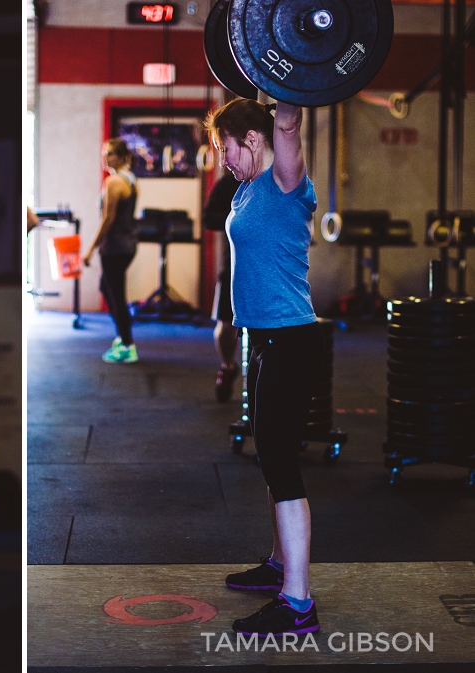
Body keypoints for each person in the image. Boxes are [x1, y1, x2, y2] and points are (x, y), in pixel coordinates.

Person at [203, 98, 325, 637]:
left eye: (225, 148)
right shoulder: (249, 187)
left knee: (281, 462)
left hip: (292, 339)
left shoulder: (284, 178)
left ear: (251, 140)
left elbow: (289, 122)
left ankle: (298, 603)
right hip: (263, 338)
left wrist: (284, 73)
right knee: (269, 453)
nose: (222, 160)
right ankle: (278, 565)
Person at [83, 138, 139, 363]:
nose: (105, 158)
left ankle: (127, 345)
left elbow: (108, 220)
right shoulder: (131, 180)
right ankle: (122, 336)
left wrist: (89, 250)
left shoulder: (114, 182)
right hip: (126, 245)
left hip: (115, 247)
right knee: (107, 289)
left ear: (122, 157)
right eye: (104, 154)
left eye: (111, 155)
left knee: (115, 295)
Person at [202, 173, 241, 402]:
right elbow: (209, 218)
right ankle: (227, 366)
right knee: (225, 327)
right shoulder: (230, 181)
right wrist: (238, 216)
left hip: (269, 266)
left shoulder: (275, 177)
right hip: (234, 264)